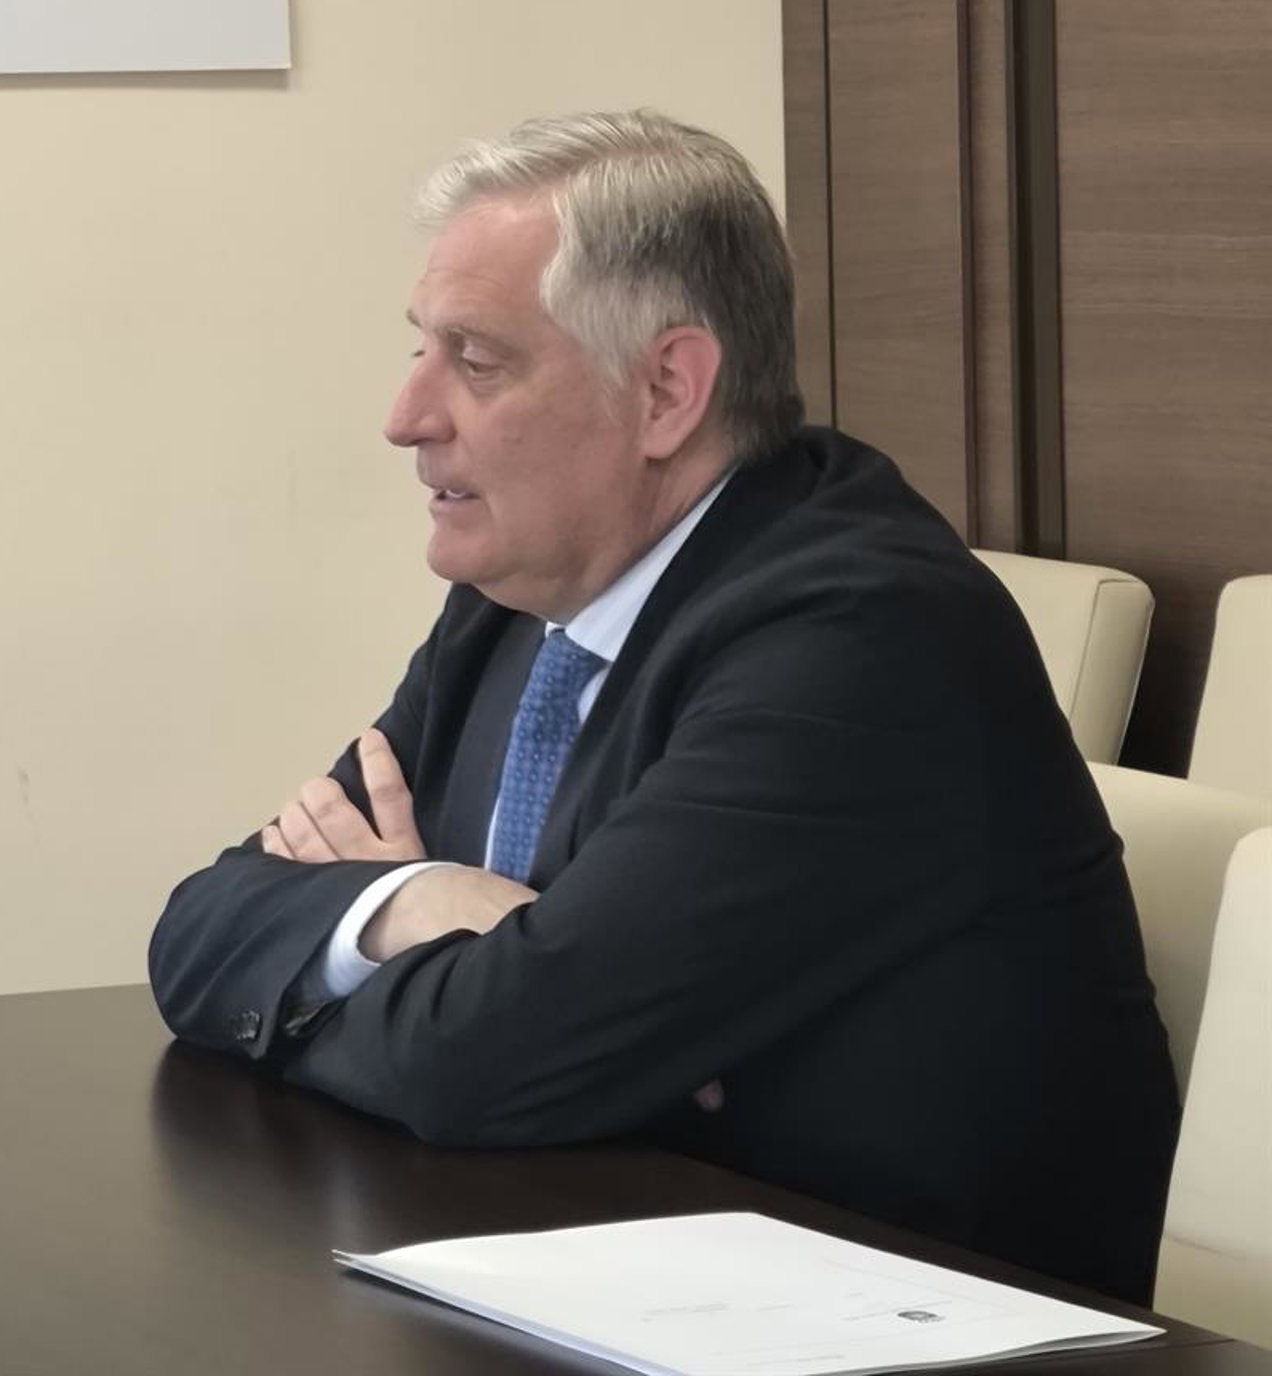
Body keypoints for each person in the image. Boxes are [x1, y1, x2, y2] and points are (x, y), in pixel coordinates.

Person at [148, 110, 1179, 1302]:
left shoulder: (864, 637)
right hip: (617, 1263)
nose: (407, 414)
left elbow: (489, 1062)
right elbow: (203, 931)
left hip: (910, 1317)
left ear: (667, 390)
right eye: (420, 348)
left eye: (475, 361)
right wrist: (418, 902)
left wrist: (389, 977)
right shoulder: (518, 596)